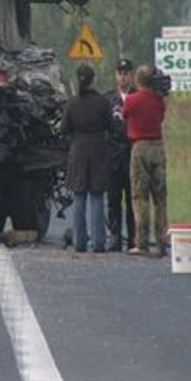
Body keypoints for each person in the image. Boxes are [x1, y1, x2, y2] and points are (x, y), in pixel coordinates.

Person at [60, 64, 114, 253]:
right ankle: (99, 242)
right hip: (98, 150)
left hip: (78, 152)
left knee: (79, 195)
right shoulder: (103, 102)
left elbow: (63, 129)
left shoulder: (72, 103)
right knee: (97, 196)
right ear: (93, 80)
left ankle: (79, 242)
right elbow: (111, 126)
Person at [122, 64, 168, 257]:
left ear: (137, 80)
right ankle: (161, 242)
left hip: (139, 147)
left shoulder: (132, 100)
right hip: (158, 147)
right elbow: (161, 117)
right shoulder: (159, 101)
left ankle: (141, 242)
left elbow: (125, 115)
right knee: (160, 198)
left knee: (140, 197)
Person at [105, 58, 136, 252]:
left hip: (132, 152)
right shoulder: (108, 99)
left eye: (126, 74)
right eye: (120, 74)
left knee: (132, 198)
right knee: (113, 199)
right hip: (114, 154)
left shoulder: (138, 97)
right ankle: (115, 237)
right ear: (116, 76)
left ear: (131, 76)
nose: (123, 78)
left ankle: (133, 238)